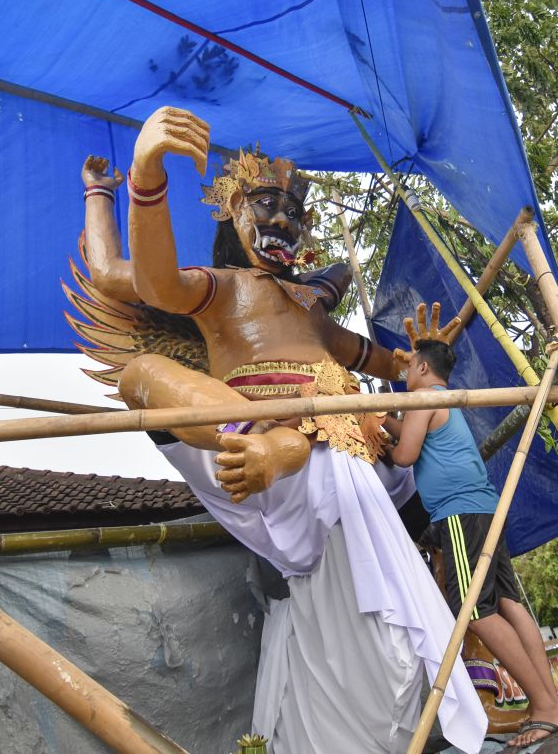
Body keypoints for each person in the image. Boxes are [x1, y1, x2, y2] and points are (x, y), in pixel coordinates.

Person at [66, 107, 488, 752]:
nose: (283, 222)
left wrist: (423, 357)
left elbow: (376, 360)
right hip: (255, 432)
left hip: (343, 439)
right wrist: (123, 185)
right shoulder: (221, 286)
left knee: (320, 445)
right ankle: (271, 443)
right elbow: (131, 277)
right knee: (144, 371)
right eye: (266, 205)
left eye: (294, 213)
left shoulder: (310, 307)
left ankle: (283, 446)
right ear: (233, 213)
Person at [382, 338, 558, 748]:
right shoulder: (439, 398)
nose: (406, 371)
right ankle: (551, 704)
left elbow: (404, 456)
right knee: (508, 603)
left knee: (473, 609)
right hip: (484, 508)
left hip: (458, 513)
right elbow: (412, 436)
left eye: (410, 364)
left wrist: (377, 430)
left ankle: (545, 707)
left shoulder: (420, 399)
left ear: (422, 368)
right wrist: (382, 420)